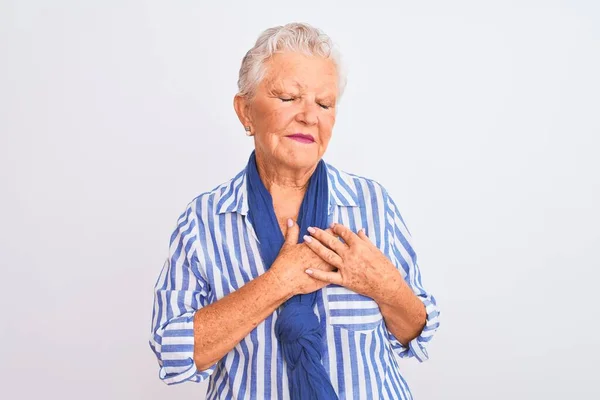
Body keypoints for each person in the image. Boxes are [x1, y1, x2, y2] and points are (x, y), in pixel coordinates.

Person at [149, 22, 440, 400]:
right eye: (288, 97)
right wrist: (278, 283)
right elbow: (172, 353)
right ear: (245, 112)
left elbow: (417, 331)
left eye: (324, 103)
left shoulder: (372, 204)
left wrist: (385, 287)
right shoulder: (204, 220)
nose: (309, 115)